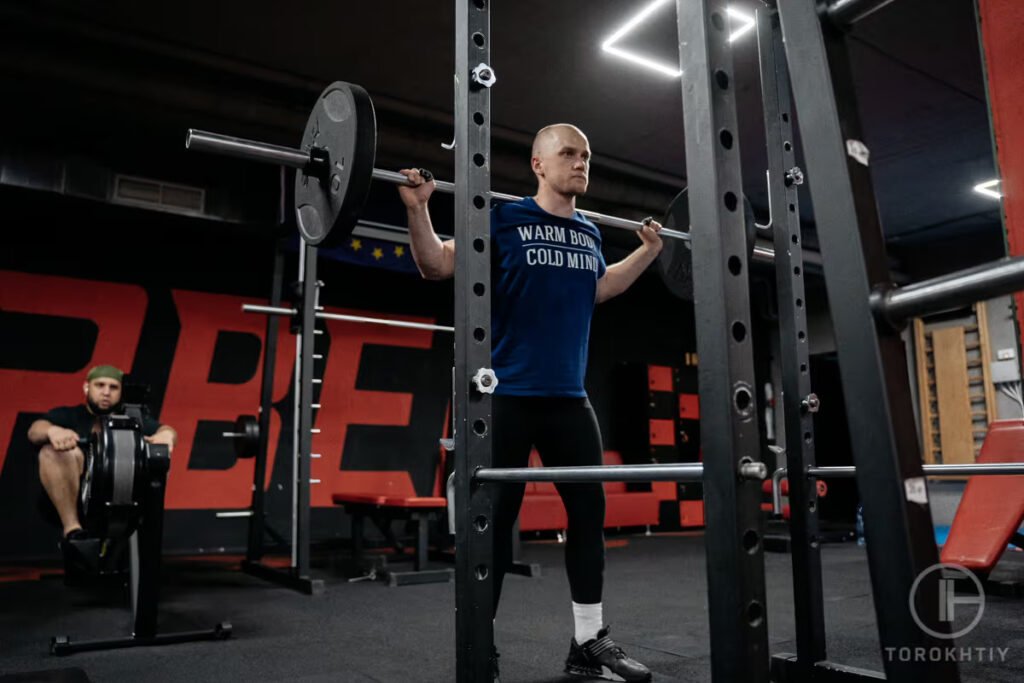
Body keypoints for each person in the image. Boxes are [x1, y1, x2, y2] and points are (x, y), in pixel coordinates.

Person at [398, 124, 661, 682]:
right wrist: (419, 210)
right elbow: (436, 265)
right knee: (494, 526)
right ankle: (479, 646)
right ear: (538, 165)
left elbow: (600, 288)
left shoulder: (590, 233)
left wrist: (648, 250)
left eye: (587, 155)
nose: (581, 163)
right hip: (507, 398)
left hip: (569, 401)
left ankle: (588, 643)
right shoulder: (502, 219)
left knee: (590, 517)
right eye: (569, 154)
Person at [27, 365, 177, 541]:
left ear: (122, 392)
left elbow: (167, 430)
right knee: (51, 452)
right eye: (100, 385)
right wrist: (52, 431)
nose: (106, 392)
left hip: (121, 497)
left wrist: (166, 435)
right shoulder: (69, 415)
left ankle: (146, 535)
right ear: (87, 387)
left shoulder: (133, 418)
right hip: (70, 499)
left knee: (157, 457)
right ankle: (73, 530)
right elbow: (35, 431)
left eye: (113, 387)